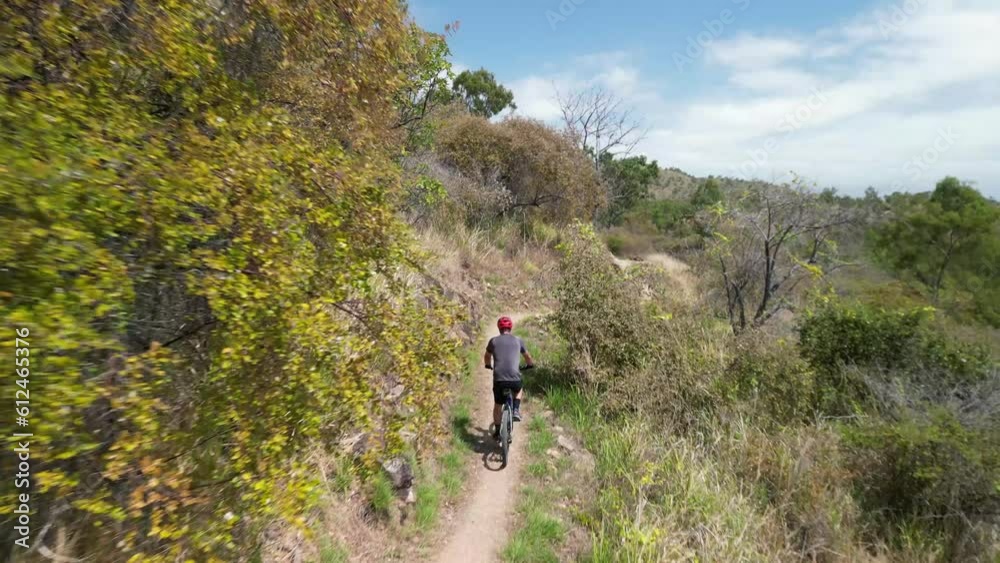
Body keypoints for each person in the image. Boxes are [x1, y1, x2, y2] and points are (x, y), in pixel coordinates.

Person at [484, 316, 534, 441]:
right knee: (519, 388)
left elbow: (487, 356)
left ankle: (497, 431)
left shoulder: (493, 341)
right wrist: (530, 365)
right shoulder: (518, 340)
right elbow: (527, 356)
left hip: (499, 379)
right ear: (510, 328)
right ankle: (516, 410)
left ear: (499, 328)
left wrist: (488, 365)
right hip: (514, 378)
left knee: (497, 405)